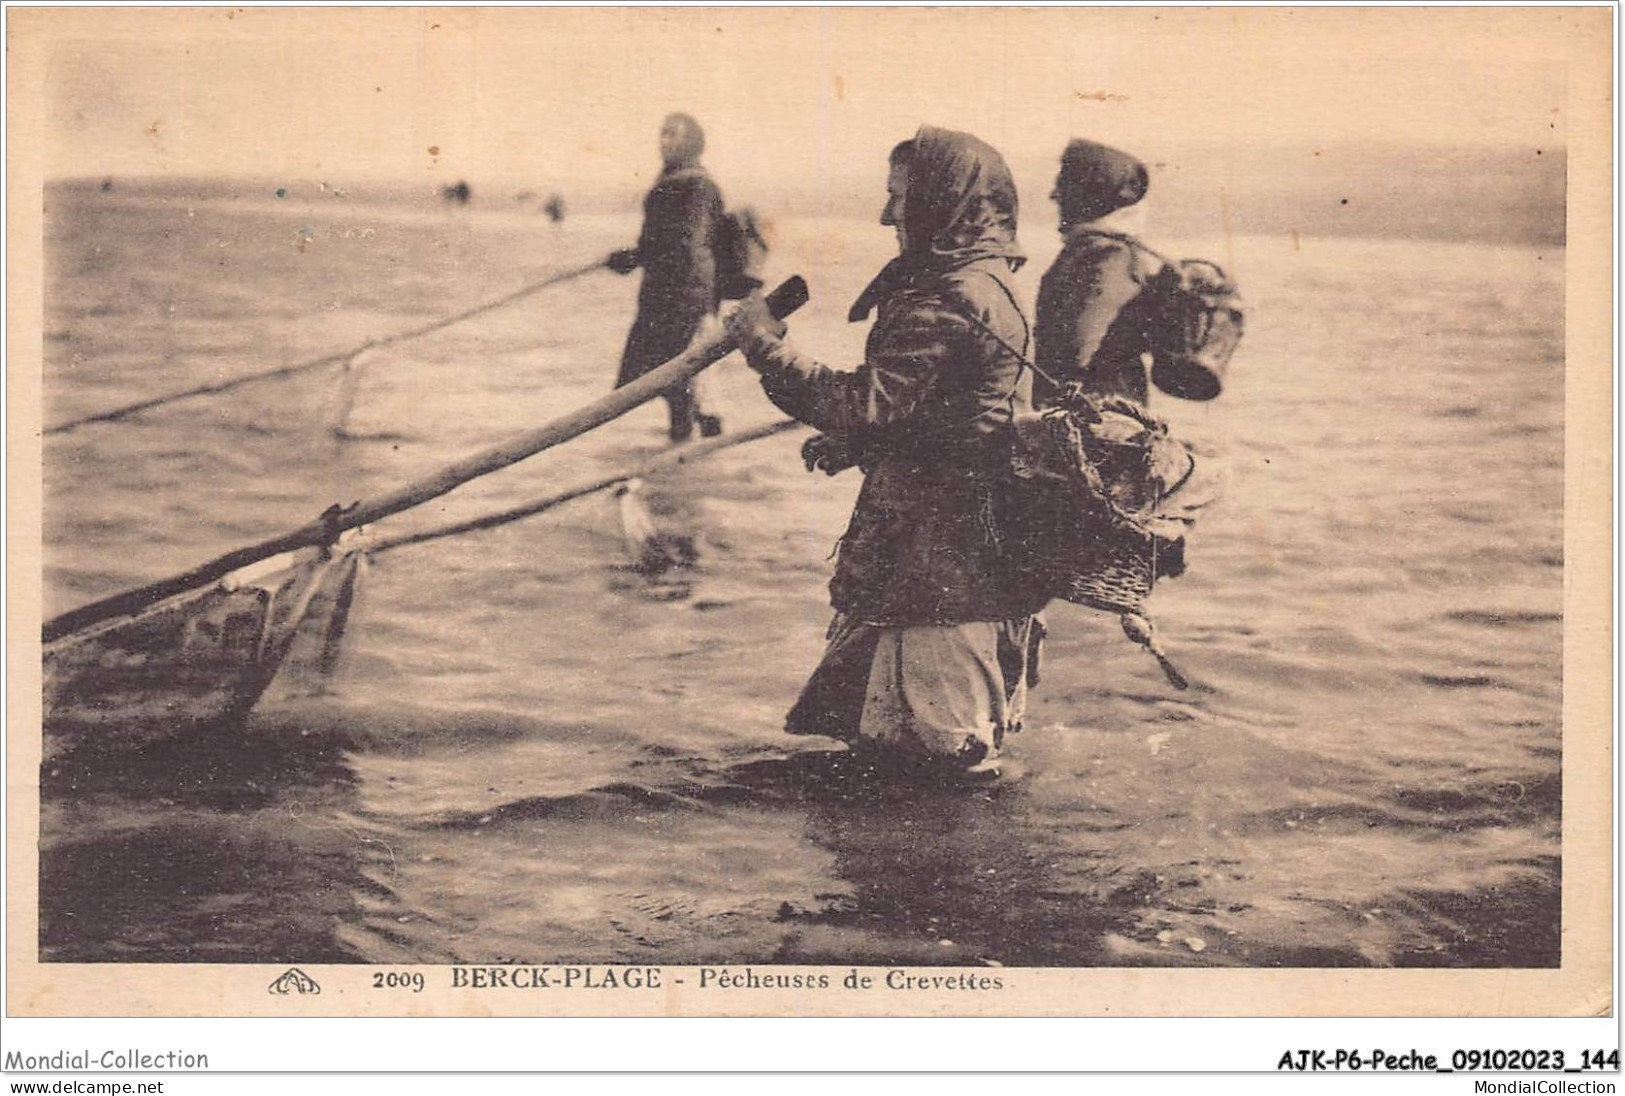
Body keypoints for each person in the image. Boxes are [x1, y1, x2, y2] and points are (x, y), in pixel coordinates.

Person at [725, 126, 1043, 776]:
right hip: (943, 562)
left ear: (941, 201)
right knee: (900, 773)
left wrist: (765, 347)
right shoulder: (976, 282)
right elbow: (942, 416)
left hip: (946, 574)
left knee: (942, 771)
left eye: (899, 197)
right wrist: (859, 446)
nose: (884, 215)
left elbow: (861, 401)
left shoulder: (954, 297)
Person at [607, 112, 726, 442]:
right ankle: (681, 472)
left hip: (690, 299)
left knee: (696, 385)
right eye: (662, 134)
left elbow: (690, 243)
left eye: (672, 135)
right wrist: (632, 257)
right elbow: (656, 243)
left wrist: (642, 256)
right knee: (671, 384)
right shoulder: (668, 182)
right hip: (662, 298)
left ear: (690, 141)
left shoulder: (699, 186)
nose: (664, 141)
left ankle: (705, 462)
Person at [1033, 138, 1160, 407]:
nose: (1054, 195)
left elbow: (1077, 351)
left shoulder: (1109, 258)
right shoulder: (1090, 251)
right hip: (1087, 407)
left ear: (1090, 194)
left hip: (1102, 415)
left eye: (1064, 185)